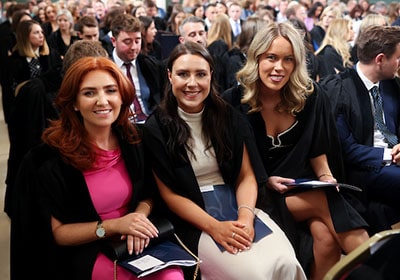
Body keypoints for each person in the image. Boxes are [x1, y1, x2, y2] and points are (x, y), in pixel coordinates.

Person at [142, 41, 307, 280]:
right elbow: (170, 196)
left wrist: (246, 218)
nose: (192, 83)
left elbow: (246, 176)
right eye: (182, 74)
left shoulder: (228, 116)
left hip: (238, 206)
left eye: (200, 74)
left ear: (211, 76)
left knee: (286, 263)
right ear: (169, 76)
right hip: (194, 220)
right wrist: (214, 227)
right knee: (250, 274)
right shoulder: (155, 127)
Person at [10, 56, 184, 280]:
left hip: (136, 242)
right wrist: (114, 226)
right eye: (89, 93)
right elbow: (59, 234)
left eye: (111, 90)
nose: (102, 101)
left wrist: (138, 219)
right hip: (89, 248)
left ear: (122, 96)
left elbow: (149, 195)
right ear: (73, 102)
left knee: (171, 277)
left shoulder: (135, 140)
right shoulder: (49, 160)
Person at [223, 22, 369, 279]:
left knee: (325, 236)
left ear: (297, 63)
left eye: (288, 59)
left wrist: (325, 177)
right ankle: (375, 267)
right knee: (327, 200)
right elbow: (233, 167)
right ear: (256, 58)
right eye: (271, 58)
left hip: (300, 186)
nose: (279, 67)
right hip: (258, 194)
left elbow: (317, 148)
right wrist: (265, 179)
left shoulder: (310, 96)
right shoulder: (233, 101)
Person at [319, 25, 400, 233]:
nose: (399, 64)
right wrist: (390, 154)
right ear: (380, 59)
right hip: (364, 169)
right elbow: (347, 150)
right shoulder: (339, 90)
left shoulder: (391, 85)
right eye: (398, 58)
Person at [4, 19, 63, 217]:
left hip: (50, 113)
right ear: (25, 36)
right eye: (36, 32)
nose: (41, 35)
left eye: (41, 32)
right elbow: (14, 92)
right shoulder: (15, 61)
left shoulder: (51, 55)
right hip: (27, 116)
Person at [110, 13, 162, 124]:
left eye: (137, 41)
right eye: (127, 42)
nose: (133, 47)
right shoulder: (106, 68)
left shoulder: (148, 65)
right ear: (113, 41)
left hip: (150, 123)